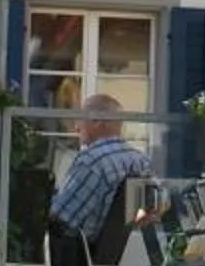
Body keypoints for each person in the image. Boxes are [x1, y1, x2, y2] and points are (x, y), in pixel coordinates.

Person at [48, 94, 151, 245]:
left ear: (96, 120)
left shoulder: (92, 160)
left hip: (80, 251)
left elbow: (61, 217)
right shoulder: (141, 160)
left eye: (80, 119)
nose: (76, 127)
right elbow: (152, 213)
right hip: (120, 252)